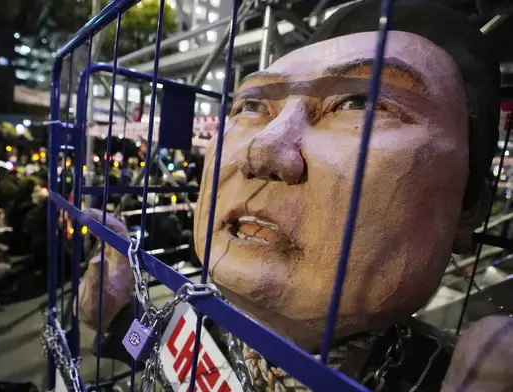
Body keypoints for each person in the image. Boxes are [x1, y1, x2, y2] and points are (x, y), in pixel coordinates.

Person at [75, 1, 507, 391]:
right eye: (251, 107)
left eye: (361, 103)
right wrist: (115, 317)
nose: (262, 151)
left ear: (468, 210)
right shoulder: (200, 314)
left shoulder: (436, 376)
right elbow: (151, 352)